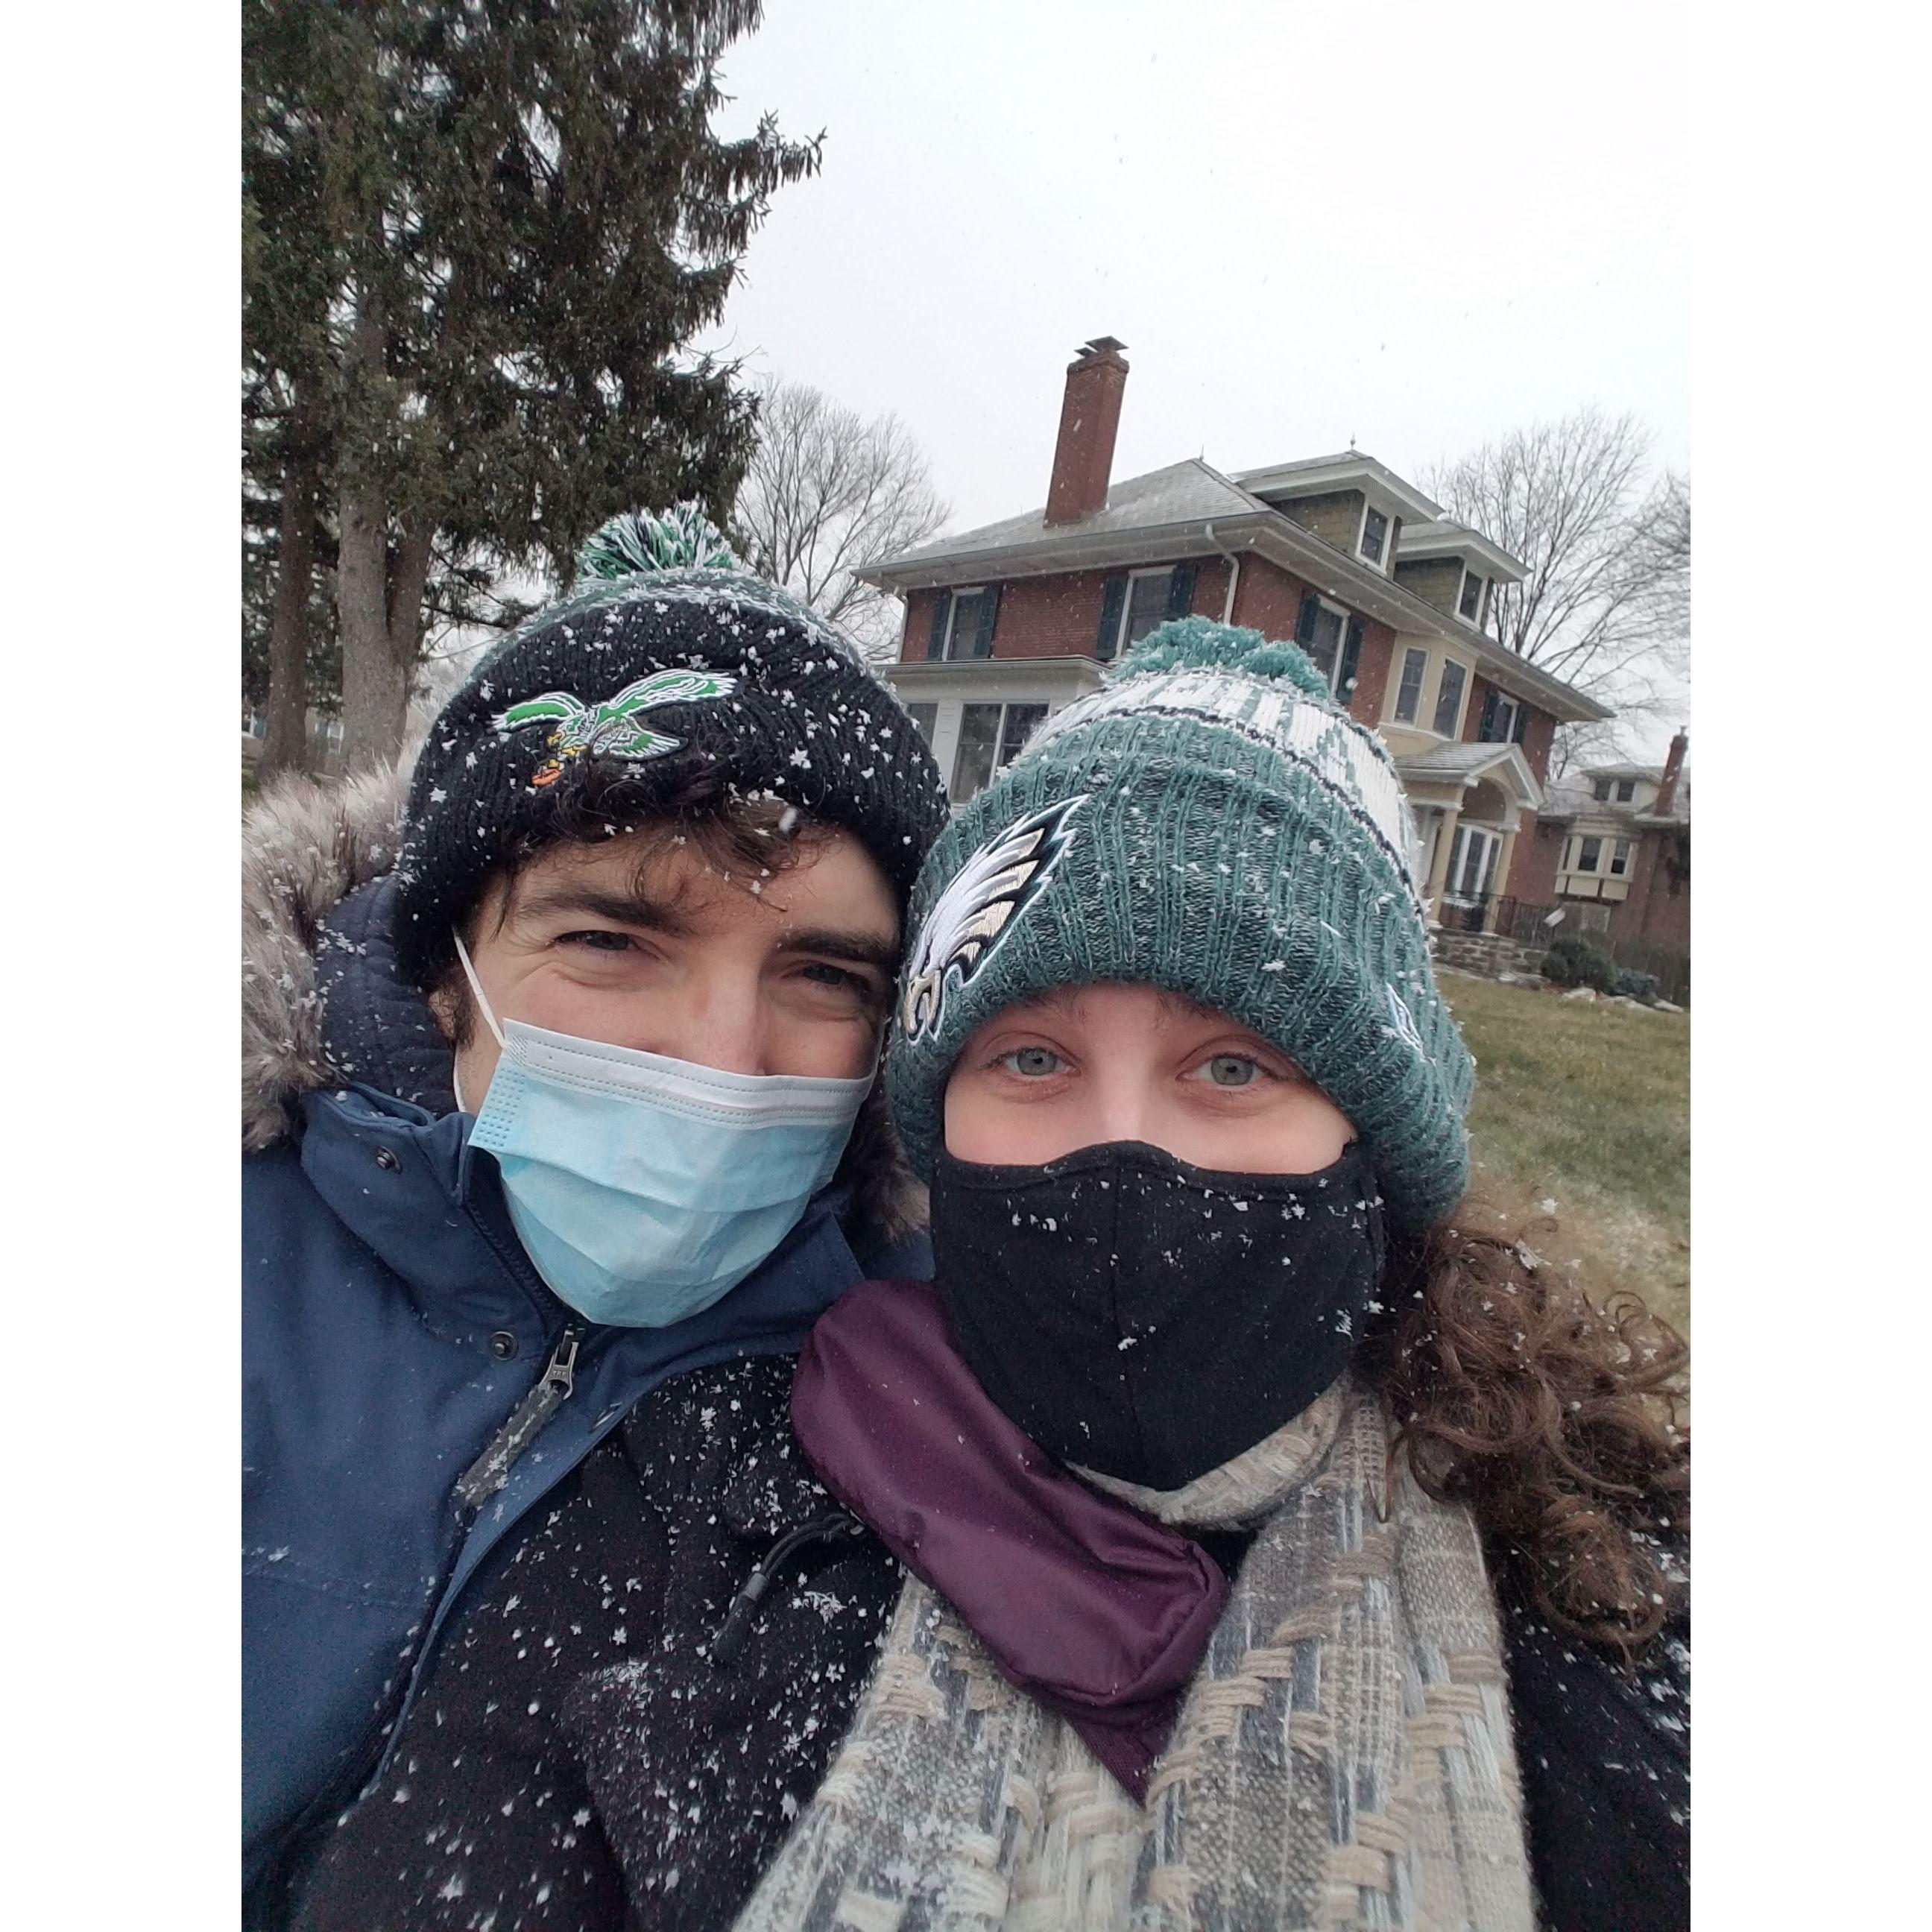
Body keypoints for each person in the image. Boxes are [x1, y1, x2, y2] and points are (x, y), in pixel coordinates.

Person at [712, 619, 1689, 1931]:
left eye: (1233, 1067)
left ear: (1376, 1138)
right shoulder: (725, 1521)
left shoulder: (1619, 1621)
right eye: (1033, 1060)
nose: (1127, 1155)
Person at [242, 505, 949, 1928]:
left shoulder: (908, 1393)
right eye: (614, 940)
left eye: (821, 976)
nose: (722, 1055)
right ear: (445, 966)